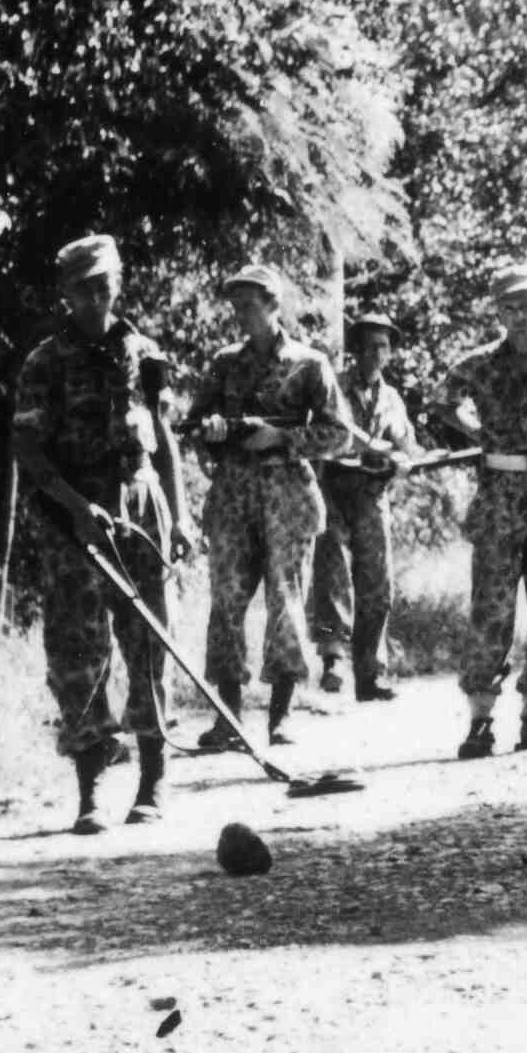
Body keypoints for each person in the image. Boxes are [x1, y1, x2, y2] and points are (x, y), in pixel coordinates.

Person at [11, 234, 194, 833]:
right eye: (82, 289)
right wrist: (76, 506)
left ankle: (152, 778)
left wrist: (181, 515)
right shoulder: (44, 363)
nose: (95, 299)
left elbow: (163, 438)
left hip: (141, 508)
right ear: (65, 294)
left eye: (104, 285)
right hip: (73, 518)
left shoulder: (145, 352)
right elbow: (30, 455)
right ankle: (90, 786)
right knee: (78, 651)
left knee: (148, 642)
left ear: (119, 283)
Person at [187, 264, 344, 751]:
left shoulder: (309, 364)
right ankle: (228, 720)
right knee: (227, 603)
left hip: (286, 498)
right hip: (233, 496)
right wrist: (212, 433)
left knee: (285, 601)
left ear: (275, 306)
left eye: (250, 305)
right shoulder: (223, 362)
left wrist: (283, 436)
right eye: (235, 306)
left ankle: (281, 717)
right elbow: (194, 427)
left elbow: (338, 434)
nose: (241, 316)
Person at [443, 262, 527, 759]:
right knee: (491, 612)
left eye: (526, 303)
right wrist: (477, 433)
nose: (519, 314)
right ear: (497, 311)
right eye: (508, 306)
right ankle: (480, 719)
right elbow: (442, 400)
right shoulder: (480, 363)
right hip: (500, 499)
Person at [311, 311, 418, 701]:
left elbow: (407, 446)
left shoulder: (391, 398)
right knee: (333, 573)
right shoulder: (334, 387)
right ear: (355, 350)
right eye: (368, 346)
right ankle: (332, 659)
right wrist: (361, 446)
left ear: (391, 353)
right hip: (334, 488)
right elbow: (327, 432)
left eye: (383, 347)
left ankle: (371, 674)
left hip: (373, 493)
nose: (375, 354)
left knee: (377, 581)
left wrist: (400, 460)